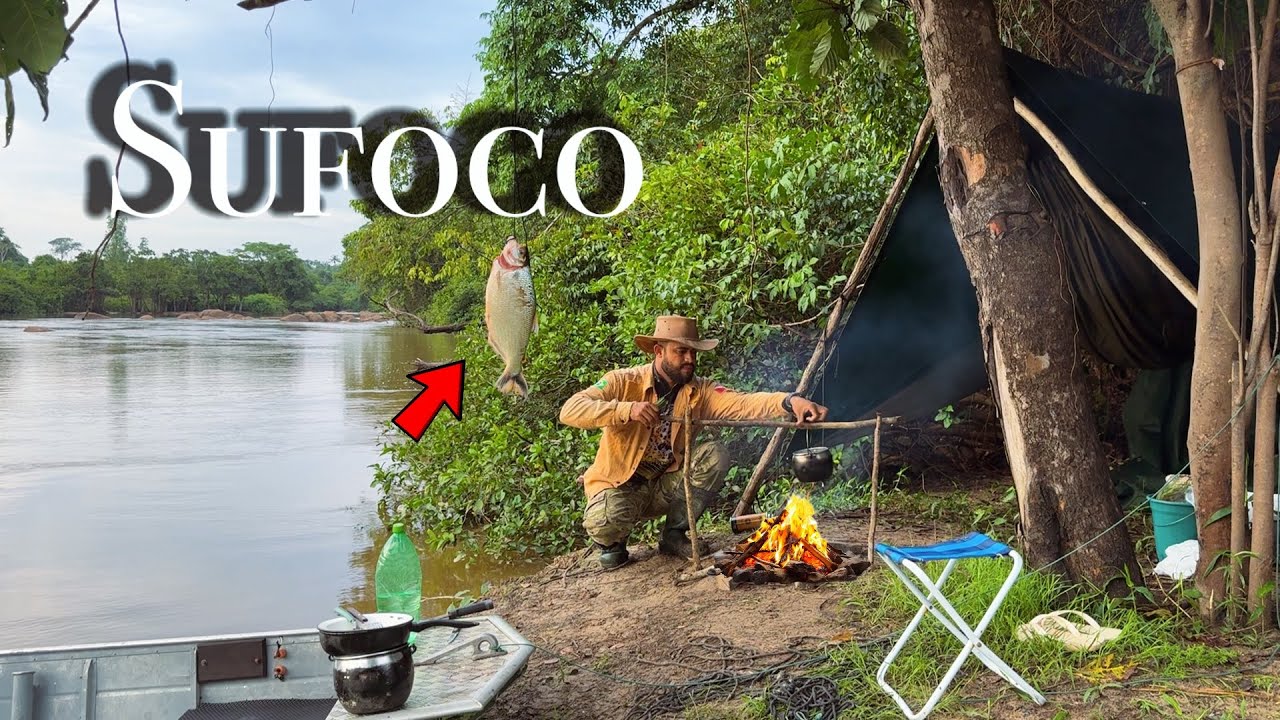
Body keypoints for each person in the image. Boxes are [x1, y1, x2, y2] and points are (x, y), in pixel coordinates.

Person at [559, 314, 829, 570]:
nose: (690, 359)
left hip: (665, 484)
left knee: (714, 455)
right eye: (681, 351)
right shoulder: (621, 381)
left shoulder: (700, 392)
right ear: (659, 351)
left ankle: (674, 534)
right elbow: (571, 409)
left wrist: (790, 401)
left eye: (693, 352)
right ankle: (614, 542)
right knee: (605, 524)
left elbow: (743, 402)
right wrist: (625, 410)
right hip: (620, 483)